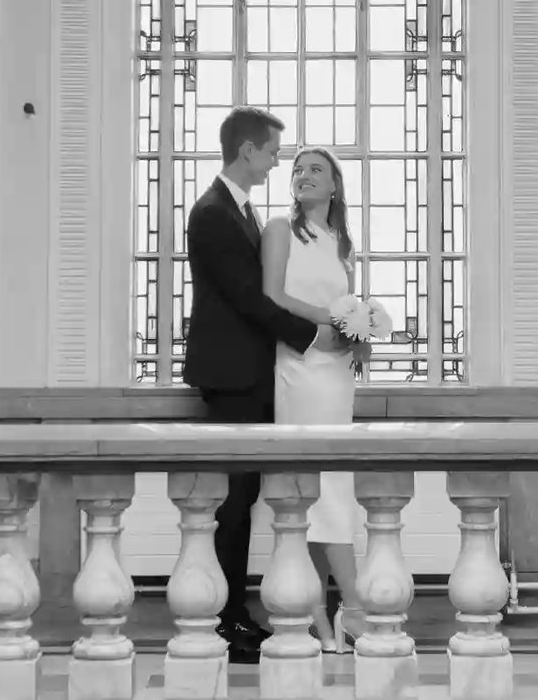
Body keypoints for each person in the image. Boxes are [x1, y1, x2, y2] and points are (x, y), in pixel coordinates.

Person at [181, 106, 326, 664]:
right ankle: (225, 620)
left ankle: (234, 613)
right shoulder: (213, 213)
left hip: (251, 374)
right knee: (234, 502)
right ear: (247, 151)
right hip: (231, 376)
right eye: (270, 153)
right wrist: (316, 335)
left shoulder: (238, 209)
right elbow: (248, 298)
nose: (274, 164)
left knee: (244, 502)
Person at [261, 146, 369, 653]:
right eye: (298, 170)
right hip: (301, 370)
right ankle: (358, 607)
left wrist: (360, 331)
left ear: (334, 186)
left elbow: (352, 305)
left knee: (334, 488)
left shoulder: (342, 243)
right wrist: (329, 322)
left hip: (337, 373)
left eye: (316, 170)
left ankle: (322, 618)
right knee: (318, 492)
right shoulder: (281, 231)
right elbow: (274, 298)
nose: (304, 176)